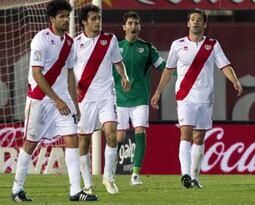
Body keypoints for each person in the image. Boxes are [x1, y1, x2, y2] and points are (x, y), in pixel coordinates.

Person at [11, 0, 97, 202]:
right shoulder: (40, 39)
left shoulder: (70, 42)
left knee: (72, 139)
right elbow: (37, 74)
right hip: (40, 100)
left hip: (63, 102)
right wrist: (57, 100)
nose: (66, 20)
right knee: (30, 143)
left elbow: (69, 74)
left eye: (68, 16)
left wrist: (75, 105)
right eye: (62, 16)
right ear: (52, 19)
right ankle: (17, 189)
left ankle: (75, 191)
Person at [151, 9, 243, 189]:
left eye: (199, 20)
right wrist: (158, 92)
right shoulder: (177, 45)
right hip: (185, 97)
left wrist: (235, 81)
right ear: (187, 24)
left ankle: (194, 177)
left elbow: (224, 65)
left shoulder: (212, 45)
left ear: (204, 24)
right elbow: (168, 70)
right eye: (192, 19)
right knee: (185, 133)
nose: (195, 22)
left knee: (199, 137)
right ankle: (185, 174)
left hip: (205, 98)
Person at [73, 4, 130, 194]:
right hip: (85, 97)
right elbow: (68, 70)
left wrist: (124, 76)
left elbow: (118, 62)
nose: (98, 22)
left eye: (99, 18)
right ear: (84, 22)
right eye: (93, 19)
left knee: (112, 134)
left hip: (107, 95)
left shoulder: (110, 39)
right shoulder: (75, 43)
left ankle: (108, 178)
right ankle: (88, 184)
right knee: (84, 141)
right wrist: (71, 86)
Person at [114, 11, 166, 185]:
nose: (133, 26)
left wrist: (183, 69)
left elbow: (165, 67)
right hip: (119, 100)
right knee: (118, 138)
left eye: (136, 23)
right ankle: (110, 171)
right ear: (124, 27)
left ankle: (135, 175)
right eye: (129, 23)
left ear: (139, 27)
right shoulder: (115, 48)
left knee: (140, 133)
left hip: (140, 100)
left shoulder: (148, 48)